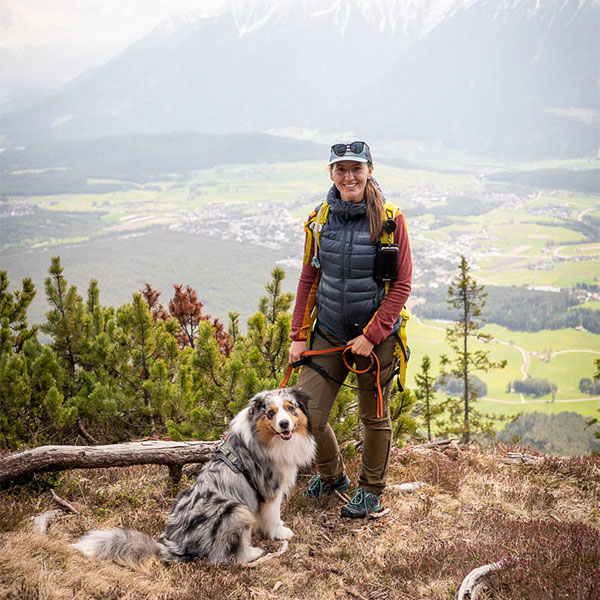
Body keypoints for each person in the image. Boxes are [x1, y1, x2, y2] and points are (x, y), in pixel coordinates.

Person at [289, 140, 412, 518]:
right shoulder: (319, 219)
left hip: (376, 339)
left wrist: (372, 335)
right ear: (331, 174)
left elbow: (403, 285)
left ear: (369, 171)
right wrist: (297, 336)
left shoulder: (390, 220)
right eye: (340, 169)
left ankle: (371, 491)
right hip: (327, 331)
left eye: (356, 168)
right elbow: (309, 278)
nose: (349, 176)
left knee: (373, 416)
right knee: (306, 415)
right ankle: (333, 477)